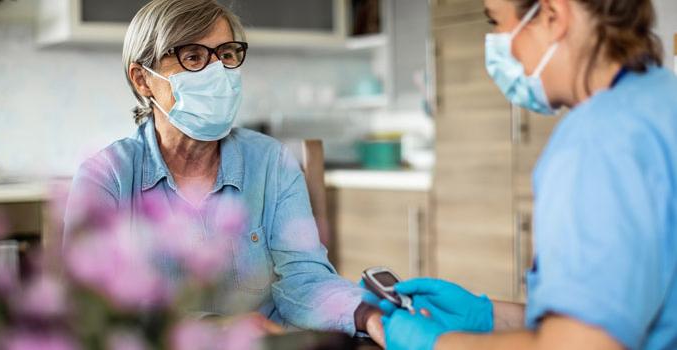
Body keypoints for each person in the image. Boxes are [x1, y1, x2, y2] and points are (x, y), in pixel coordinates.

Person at [63, 0, 384, 344]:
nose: (217, 72)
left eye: (227, 55)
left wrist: (369, 316)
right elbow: (94, 310)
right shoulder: (107, 176)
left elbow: (304, 281)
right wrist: (218, 327)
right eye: (193, 57)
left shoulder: (271, 163)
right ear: (143, 80)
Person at [369, 0, 677, 349]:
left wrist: (439, 345)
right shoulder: (662, 98)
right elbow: (619, 307)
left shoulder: (596, 142)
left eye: (497, 23)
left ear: (552, 15)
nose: (500, 43)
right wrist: (487, 317)